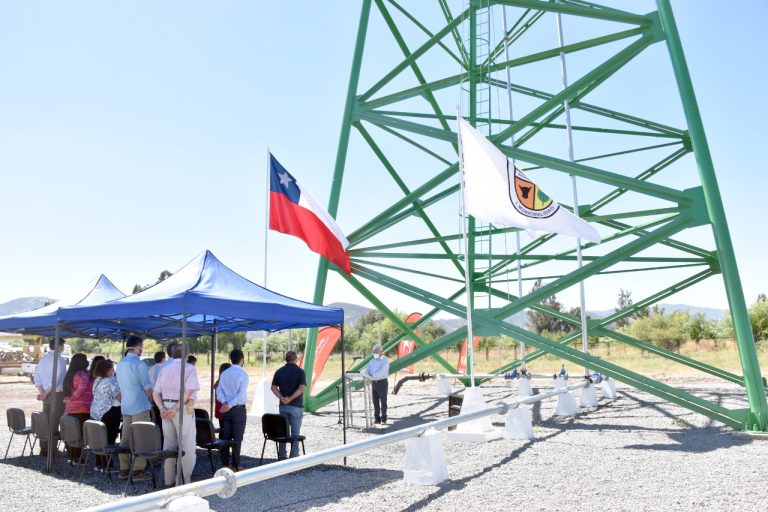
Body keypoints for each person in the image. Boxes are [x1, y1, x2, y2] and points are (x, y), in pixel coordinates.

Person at [153, 343, 199, 486]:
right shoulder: (190, 368)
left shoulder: (164, 369)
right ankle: (184, 480)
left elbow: (156, 392)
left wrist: (161, 407)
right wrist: (174, 409)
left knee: (169, 445)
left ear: (172, 354)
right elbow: (188, 392)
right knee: (187, 445)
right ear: (187, 355)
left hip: (165, 407)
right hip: (182, 408)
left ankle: (169, 481)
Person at [115, 335, 153, 481]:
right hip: (140, 406)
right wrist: (152, 399)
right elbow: (147, 387)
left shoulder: (120, 363)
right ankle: (138, 470)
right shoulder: (139, 364)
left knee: (125, 438)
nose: (141, 349)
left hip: (126, 406)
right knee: (141, 438)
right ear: (137, 346)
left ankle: (123, 469)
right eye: (141, 346)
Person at [33, 337, 68, 456]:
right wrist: (45, 393)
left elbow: (36, 377)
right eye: (62, 345)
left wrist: (42, 392)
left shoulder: (43, 359)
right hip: (56, 394)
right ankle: (52, 450)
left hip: (46, 394)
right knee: (54, 422)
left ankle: (43, 448)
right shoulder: (61, 360)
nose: (63, 348)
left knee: (45, 421)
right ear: (59, 346)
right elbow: (56, 381)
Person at [216, 350, 249, 471]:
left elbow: (219, 391)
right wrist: (230, 404)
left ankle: (225, 464)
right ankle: (236, 465)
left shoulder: (224, 373)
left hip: (226, 409)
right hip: (238, 409)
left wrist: (225, 403)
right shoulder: (243, 374)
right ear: (242, 359)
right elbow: (241, 395)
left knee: (226, 437)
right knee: (237, 438)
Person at [271, 351, 306, 459]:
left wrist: (282, 397)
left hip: (283, 406)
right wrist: (290, 398)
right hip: (296, 406)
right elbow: (301, 388)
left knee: (283, 432)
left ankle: (282, 456)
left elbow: (273, 387)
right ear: (296, 359)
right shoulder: (300, 372)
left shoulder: (279, 371)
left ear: (285, 359)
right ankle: (294, 456)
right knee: (295, 434)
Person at [90, 359, 121, 470]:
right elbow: (119, 397)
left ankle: (99, 464)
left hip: (96, 412)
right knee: (109, 440)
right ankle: (107, 464)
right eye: (112, 367)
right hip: (110, 412)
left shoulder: (97, 380)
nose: (113, 369)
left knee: (99, 439)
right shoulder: (111, 381)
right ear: (108, 369)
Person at [62, 353, 93, 463]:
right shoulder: (82, 374)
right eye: (85, 360)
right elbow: (82, 388)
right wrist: (73, 398)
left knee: (72, 434)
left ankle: (72, 456)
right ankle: (77, 458)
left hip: (71, 408)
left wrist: (70, 399)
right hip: (82, 407)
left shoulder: (70, 373)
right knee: (79, 435)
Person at [362, 344, 390, 424]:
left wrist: (372, 376)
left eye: (376, 351)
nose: (374, 353)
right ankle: (377, 418)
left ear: (380, 351)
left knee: (383, 401)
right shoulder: (372, 361)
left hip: (382, 382)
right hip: (374, 383)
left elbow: (382, 372)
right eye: (374, 352)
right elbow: (367, 370)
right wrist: (364, 375)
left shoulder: (385, 360)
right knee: (375, 401)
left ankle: (384, 418)